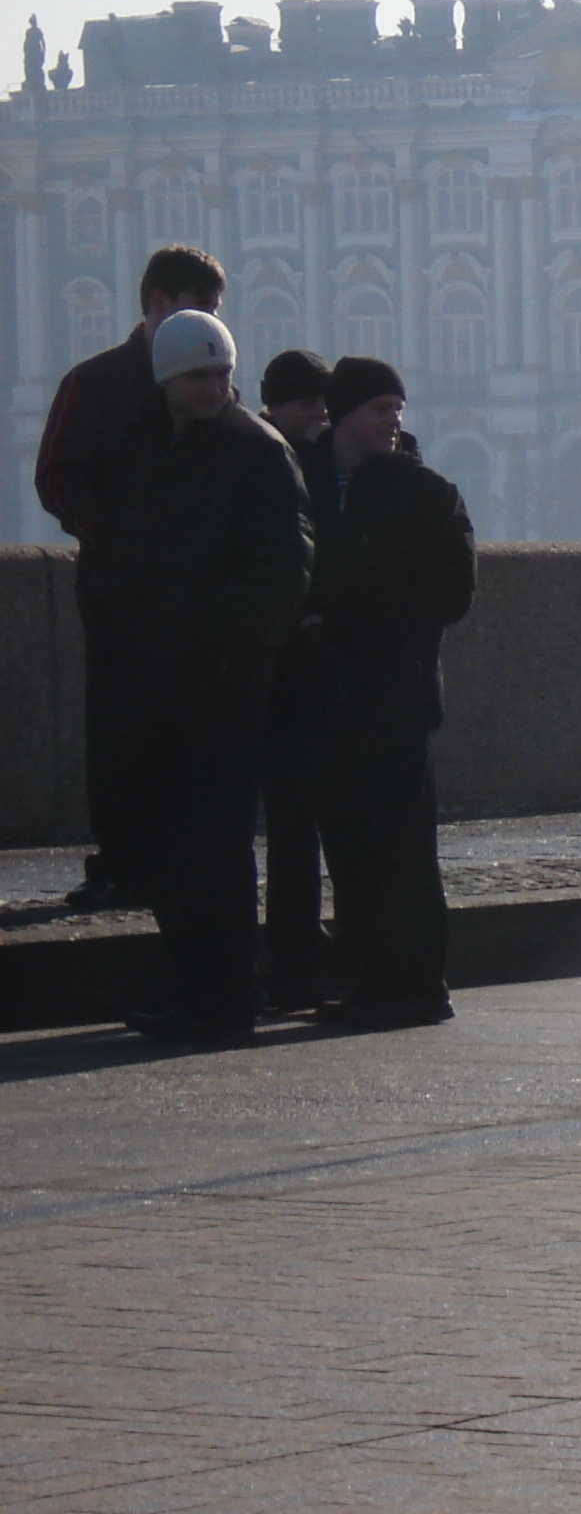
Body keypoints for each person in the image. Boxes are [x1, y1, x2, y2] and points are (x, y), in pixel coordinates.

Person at [96, 311, 312, 1040]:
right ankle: (193, 984)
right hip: (152, 675)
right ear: (167, 380)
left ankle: (223, 997)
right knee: (157, 833)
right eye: (199, 376)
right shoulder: (143, 448)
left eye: (223, 374)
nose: (216, 388)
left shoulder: (257, 452)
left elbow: (284, 568)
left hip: (222, 678)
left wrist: (216, 633)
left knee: (213, 842)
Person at [33, 245, 229, 911]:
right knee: (119, 723)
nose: (206, 321)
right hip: (119, 589)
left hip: (195, 591)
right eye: (196, 307)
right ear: (156, 304)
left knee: (188, 726)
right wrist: (111, 540)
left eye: (213, 310)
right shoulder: (95, 382)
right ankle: (119, 856)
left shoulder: (212, 378)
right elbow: (56, 474)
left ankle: (177, 854)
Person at [301, 357, 475, 1029]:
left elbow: (451, 591)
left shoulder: (427, 492)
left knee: (403, 848)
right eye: (379, 408)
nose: (392, 419)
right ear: (343, 414)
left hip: (395, 693)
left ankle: (419, 984)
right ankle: (368, 980)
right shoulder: (303, 484)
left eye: (396, 409)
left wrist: (352, 623)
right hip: (325, 693)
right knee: (347, 847)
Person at [256, 351, 334, 1009]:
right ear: (273, 405)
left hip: (315, 675)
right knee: (288, 826)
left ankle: (304, 954)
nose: (319, 414)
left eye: (325, 403)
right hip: (274, 673)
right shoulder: (265, 460)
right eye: (307, 403)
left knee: (304, 824)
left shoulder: (336, 462)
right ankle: (294, 954)